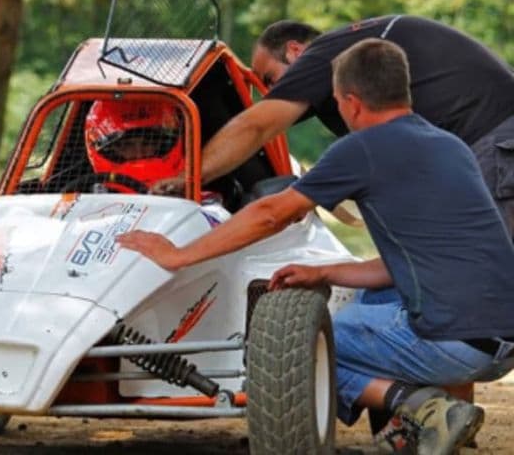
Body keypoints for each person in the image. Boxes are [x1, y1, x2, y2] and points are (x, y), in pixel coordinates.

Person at [118, 38, 514, 453]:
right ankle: (420, 424)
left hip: (458, 344)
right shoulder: (450, 145)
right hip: (502, 340)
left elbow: (272, 213)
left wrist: (179, 254)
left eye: (337, 103)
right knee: (366, 301)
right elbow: (412, 262)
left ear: (352, 103)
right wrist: (324, 272)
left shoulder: (361, 149)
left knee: (293, 348)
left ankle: (424, 408)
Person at [155, 15, 514, 238]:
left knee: (489, 279)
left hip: (496, 140)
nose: (268, 92)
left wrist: (186, 178)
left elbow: (257, 126)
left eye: (269, 78)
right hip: (489, 140)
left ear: (295, 51)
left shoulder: (326, 54)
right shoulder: (365, 87)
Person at [84, 99, 183, 192]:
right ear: (111, 151)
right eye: (128, 145)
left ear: (161, 145)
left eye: (147, 143)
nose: (139, 153)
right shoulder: (88, 193)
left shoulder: (186, 182)